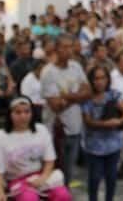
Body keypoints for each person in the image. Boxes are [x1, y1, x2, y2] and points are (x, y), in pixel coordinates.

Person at [0, 97, 71, 201]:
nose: (23, 116)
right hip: (16, 180)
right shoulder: (0, 137)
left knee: (63, 194)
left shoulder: (41, 130)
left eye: (27, 112)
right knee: (29, 198)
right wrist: (0, 192)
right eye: (18, 112)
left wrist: (42, 178)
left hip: (40, 175)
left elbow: (49, 160)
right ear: (10, 114)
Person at [41, 35, 91, 187]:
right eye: (65, 47)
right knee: (55, 173)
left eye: (71, 46)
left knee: (69, 170)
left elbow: (88, 92)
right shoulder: (48, 72)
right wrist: (78, 96)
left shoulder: (76, 66)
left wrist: (66, 96)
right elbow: (55, 105)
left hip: (75, 125)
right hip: (56, 128)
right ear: (56, 49)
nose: (69, 50)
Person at [81, 66, 123, 201]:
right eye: (96, 78)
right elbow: (87, 121)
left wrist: (118, 122)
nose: (100, 81)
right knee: (95, 178)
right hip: (94, 145)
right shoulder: (87, 99)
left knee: (112, 177)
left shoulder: (114, 94)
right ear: (91, 80)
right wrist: (104, 124)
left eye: (103, 78)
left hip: (113, 143)